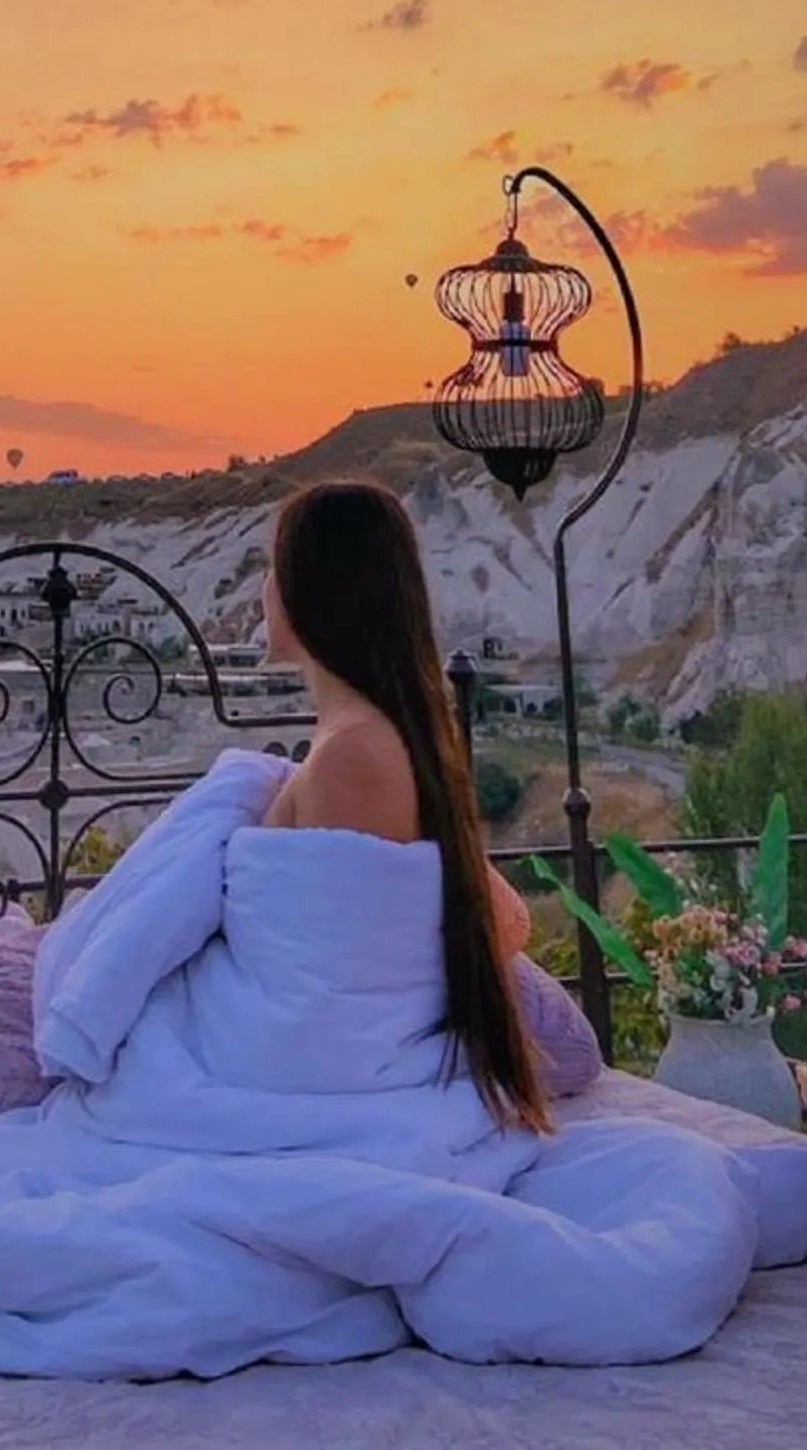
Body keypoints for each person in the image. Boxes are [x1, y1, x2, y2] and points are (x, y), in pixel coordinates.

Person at [260, 477, 548, 1130]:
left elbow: (347, 986)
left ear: (313, 590)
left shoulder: (354, 757)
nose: (264, 587)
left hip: (330, 1087)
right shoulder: (361, 739)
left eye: (271, 568)